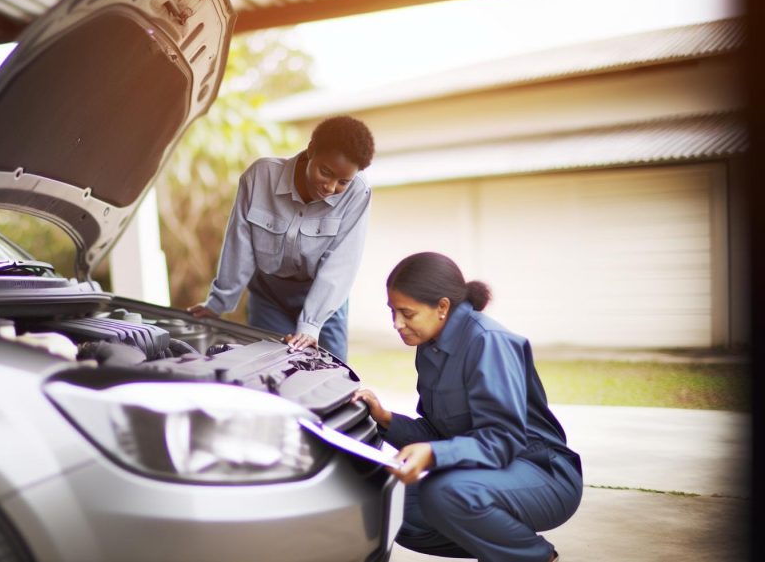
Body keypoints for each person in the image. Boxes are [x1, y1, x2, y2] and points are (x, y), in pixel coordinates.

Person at [351, 252, 582, 562]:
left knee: (446, 493)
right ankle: (508, 552)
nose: (397, 324)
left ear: (442, 307)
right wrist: (385, 418)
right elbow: (440, 431)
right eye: (392, 312)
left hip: (543, 474)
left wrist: (434, 454)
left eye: (407, 313)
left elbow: (503, 440)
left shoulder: (489, 341)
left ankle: (532, 557)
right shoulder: (429, 346)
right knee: (397, 510)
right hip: (490, 473)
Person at [187, 115, 375, 362]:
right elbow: (239, 244)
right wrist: (218, 302)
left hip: (323, 297)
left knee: (330, 373)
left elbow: (341, 263)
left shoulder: (358, 193)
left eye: (342, 182)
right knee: (267, 368)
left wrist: (310, 324)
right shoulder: (260, 177)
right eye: (325, 172)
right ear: (310, 151)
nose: (330, 187)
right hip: (268, 296)